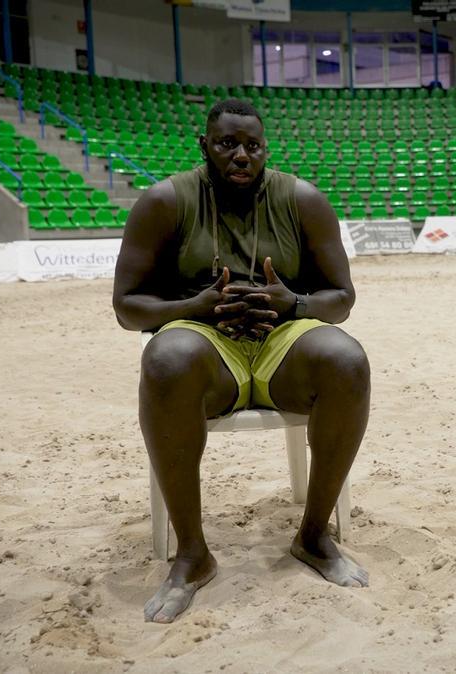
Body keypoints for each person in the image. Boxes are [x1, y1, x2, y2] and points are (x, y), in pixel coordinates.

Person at [112, 99, 370, 624]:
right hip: (205, 339)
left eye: (252, 145)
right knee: (166, 358)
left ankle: (315, 535)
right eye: (227, 143)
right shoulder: (165, 200)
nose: (240, 156)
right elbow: (127, 306)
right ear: (204, 145)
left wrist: (292, 304)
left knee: (346, 360)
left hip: (284, 338)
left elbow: (341, 298)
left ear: (265, 149)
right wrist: (195, 306)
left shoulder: (302, 200)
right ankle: (192, 554)